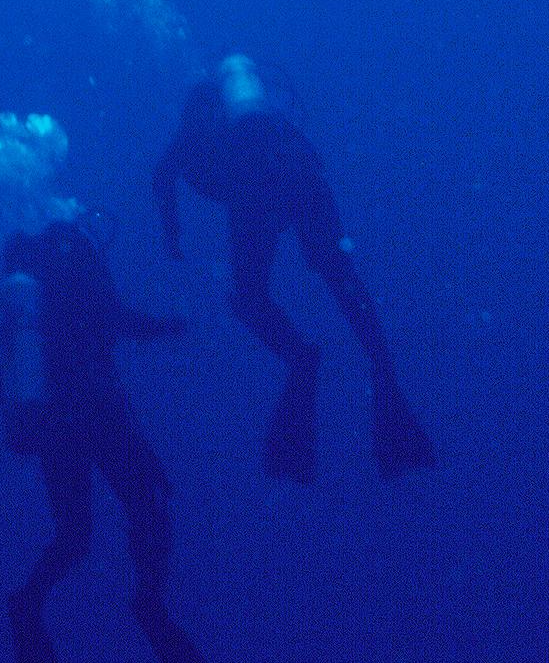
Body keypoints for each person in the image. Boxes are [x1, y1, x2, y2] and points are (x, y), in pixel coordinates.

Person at [0, 113, 231, 663]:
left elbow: (17, 355)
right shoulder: (76, 249)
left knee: (74, 536)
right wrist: (173, 326)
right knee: (149, 501)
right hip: (99, 408)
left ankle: (28, 602)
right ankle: (149, 602)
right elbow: (115, 320)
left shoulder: (24, 272)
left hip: (51, 420)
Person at [154, 53, 435, 483]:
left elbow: (162, 178)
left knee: (249, 299)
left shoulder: (193, 128)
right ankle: (383, 373)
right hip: (298, 171)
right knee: (339, 276)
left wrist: (173, 235)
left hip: (254, 191)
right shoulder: (262, 117)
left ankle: (301, 359)